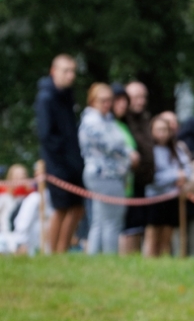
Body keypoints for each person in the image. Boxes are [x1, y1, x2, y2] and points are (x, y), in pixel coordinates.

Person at [78, 82, 136, 255]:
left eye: (109, 100)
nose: (107, 104)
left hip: (108, 174)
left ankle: (96, 258)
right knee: (112, 221)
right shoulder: (92, 121)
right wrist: (129, 154)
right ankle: (110, 258)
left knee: (100, 221)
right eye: (102, 100)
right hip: (104, 175)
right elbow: (110, 145)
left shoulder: (106, 120)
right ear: (92, 101)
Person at [35, 54, 85, 254]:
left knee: (77, 207)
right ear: (53, 71)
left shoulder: (66, 96)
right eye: (66, 70)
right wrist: (64, 157)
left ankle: (61, 250)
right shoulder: (46, 97)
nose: (70, 75)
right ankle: (52, 252)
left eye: (72, 71)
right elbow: (46, 134)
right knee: (61, 208)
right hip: (58, 163)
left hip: (72, 162)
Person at [121, 82, 154, 255]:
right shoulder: (122, 119)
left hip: (144, 182)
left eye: (143, 97)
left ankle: (134, 262)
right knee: (129, 227)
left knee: (139, 226)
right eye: (136, 97)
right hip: (128, 182)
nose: (141, 101)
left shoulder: (144, 119)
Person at [142, 114, 182, 257]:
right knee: (153, 234)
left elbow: (187, 170)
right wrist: (175, 176)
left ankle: (163, 264)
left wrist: (180, 175)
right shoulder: (149, 151)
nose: (162, 133)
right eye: (158, 129)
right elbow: (153, 177)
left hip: (171, 197)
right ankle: (149, 261)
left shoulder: (176, 150)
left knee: (167, 233)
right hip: (154, 197)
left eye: (165, 129)